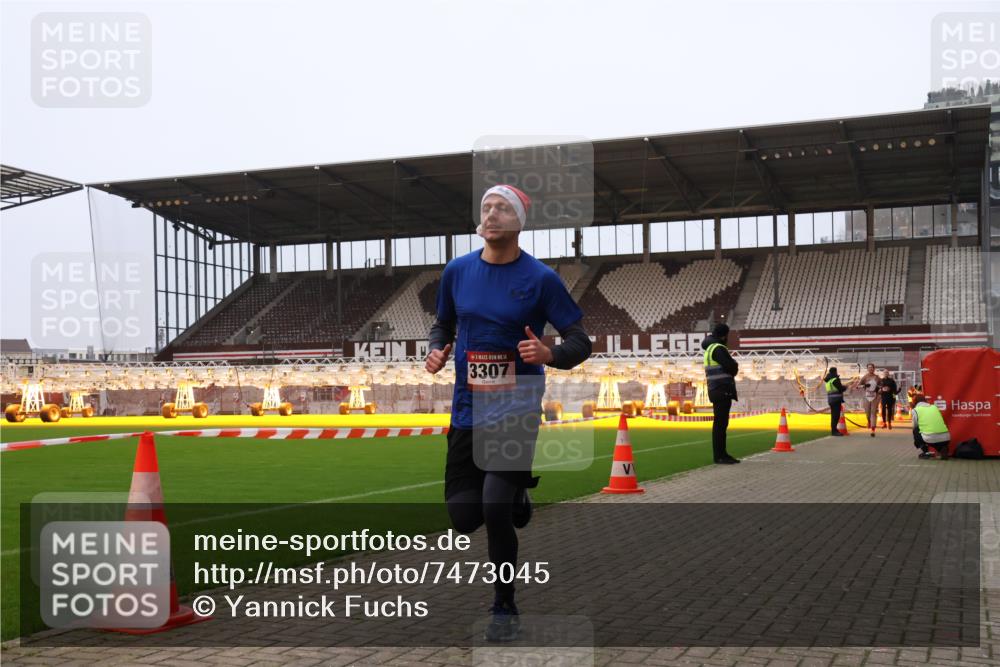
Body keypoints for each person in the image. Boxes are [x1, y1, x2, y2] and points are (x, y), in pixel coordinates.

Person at [425, 184, 592, 642]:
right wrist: (437, 349)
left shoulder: (540, 279)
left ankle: (504, 605)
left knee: (494, 508)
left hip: (516, 408)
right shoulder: (457, 272)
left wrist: (549, 352)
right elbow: (443, 323)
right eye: (486, 207)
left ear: (519, 221)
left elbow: (581, 341)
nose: (492, 214)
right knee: (464, 517)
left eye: (502, 208)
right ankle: (519, 495)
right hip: (466, 410)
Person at [701, 323, 740, 464]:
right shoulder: (718, 348)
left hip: (715, 389)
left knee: (720, 424)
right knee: (720, 425)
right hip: (722, 389)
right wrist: (735, 364)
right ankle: (720, 456)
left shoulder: (710, 348)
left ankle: (721, 454)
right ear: (724, 335)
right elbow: (732, 368)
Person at [910, 394, 951, 459]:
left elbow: (914, 425)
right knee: (936, 440)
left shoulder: (915, 410)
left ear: (914, 402)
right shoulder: (934, 407)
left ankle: (926, 452)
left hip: (930, 438)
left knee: (916, 430)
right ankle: (942, 450)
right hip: (946, 438)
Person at [855, 363, 880, 438]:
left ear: (874, 368)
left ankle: (873, 430)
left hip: (875, 397)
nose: (870, 369)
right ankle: (869, 421)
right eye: (869, 368)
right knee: (867, 413)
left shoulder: (877, 377)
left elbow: (881, 385)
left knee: (873, 413)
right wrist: (864, 385)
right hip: (866, 397)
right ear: (867, 369)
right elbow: (857, 386)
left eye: (872, 368)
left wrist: (879, 388)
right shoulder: (865, 377)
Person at [824, 367, 849, 436]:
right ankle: (834, 431)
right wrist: (846, 387)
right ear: (835, 372)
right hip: (836, 400)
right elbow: (840, 388)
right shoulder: (835, 379)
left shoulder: (828, 380)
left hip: (831, 400)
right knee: (836, 416)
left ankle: (834, 430)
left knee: (833, 416)